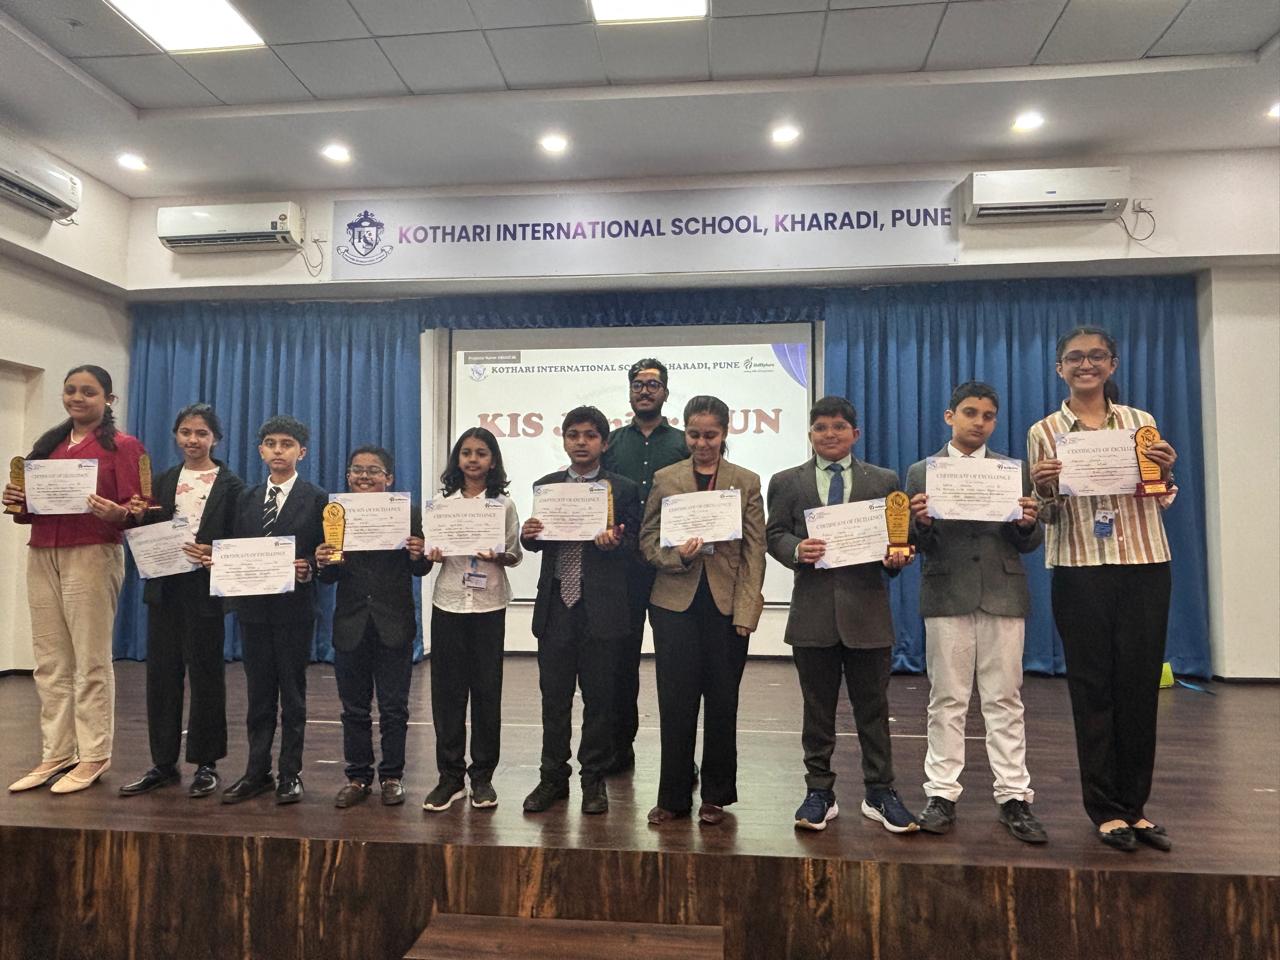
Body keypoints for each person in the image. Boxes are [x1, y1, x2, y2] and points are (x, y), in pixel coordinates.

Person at [1027, 327, 1178, 853]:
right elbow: (1044, 514)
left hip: (1145, 563)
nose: (1085, 364)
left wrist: (1165, 473)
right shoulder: (1044, 431)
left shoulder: (1140, 422)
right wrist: (1043, 487)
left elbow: (1161, 495)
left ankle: (1136, 806)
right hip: (1080, 568)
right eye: (1074, 357)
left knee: (1139, 686)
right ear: (1059, 369)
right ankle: (1105, 810)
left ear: (1112, 364)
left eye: (1096, 356)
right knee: (1092, 689)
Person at [765, 395, 919, 834]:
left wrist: (897, 556)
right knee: (817, 711)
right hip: (812, 614)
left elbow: (899, 538)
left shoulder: (884, 480)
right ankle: (819, 791)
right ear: (810, 434)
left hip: (867, 613)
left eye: (838, 426)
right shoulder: (787, 481)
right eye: (820, 427)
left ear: (855, 433)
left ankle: (880, 791)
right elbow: (774, 534)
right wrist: (796, 549)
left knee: (873, 710)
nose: (829, 434)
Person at [905, 382, 1047, 843]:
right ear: (950, 416)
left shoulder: (1013, 471)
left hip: (1003, 592)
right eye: (970, 413)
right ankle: (941, 793)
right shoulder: (921, 472)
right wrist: (920, 523)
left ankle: (1014, 796)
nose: (979, 422)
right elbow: (915, 542)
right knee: (947, 698)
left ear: (995, 421)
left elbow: (1028, 542)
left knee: (1004, 698)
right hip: (947, 591)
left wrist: (1028, 522)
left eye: (988, 415)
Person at [4, 365, 147, 795]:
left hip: (92, 552)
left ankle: (95, 754)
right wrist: (17, 501)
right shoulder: (48, 446)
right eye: (71, 390)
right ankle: (58, 751)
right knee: (49, 660)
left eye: (88, 391)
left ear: (108, 400)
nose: (77, 398)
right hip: (42, 552)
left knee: (90, 659)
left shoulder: (124, 446)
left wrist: (119, 513)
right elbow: (28, 511)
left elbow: (141, 507)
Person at [640, 395, 765, 826]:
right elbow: (647, 541)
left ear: (725, 432)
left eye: (711, 435)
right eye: (694, 434)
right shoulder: (666, 478)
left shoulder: (746, 481)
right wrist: (679, 556)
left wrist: (746, 611)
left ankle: (716, 796)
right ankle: (672, 797)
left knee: (722, 702)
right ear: (685, 432)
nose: (702, 443)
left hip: (727, 606)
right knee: (675, 702)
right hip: (674, 604)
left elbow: (754, 552)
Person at [119, 403, 244, 800]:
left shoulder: (233, 486)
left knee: (206, 677)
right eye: (186, 432)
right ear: (176, 435)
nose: (193, 440)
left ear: (215, 439)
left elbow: (239, 539)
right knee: (161, 676)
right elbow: (149, 532)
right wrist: (138, 516)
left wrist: (214, 551)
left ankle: (206, 764)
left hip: (204, 590)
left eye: (201, 433)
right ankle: (162, 763)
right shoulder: (163, 480)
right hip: (165, 589)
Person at [520, 406, 640, 815]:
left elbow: (635, 545)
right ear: (564, 440)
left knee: (600, 700)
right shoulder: (547, 486)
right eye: (574, 435)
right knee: (554, 699)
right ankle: (552, 778)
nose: (581, 442)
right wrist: (529, 535)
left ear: (604, 443)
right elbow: (538, 542)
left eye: (590, 435)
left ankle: (593, 780)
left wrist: (615, 543)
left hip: (601, 607)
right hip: (557, 605)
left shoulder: (622, 488)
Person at [218, 415, 327, 806]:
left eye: (287, 444)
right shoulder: (246, 498)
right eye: (271, 444)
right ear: (261, 451)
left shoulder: (317, 498)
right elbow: (234, 547)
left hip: (294, 610)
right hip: (253, 611)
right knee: (259, 694)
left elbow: (325, 553)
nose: (278, 450)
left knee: (293, 695)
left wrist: (309, 567)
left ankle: (290, 772)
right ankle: (256, 771)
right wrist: (221, 562)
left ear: (302, 452)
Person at [317, 446, 428, 809]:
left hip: (393, 623)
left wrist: (418, 553)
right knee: (354, 709)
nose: (364, 476)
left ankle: (392, 776)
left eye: (373, 470)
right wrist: (323, 560)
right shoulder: (335, 514)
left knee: (394, 708)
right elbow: (329, 577)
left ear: (389, 478)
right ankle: (358, 777)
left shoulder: (407, 513)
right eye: (357, 470)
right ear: (348, 476)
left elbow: (420, 569)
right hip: (351, 623)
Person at [420, 429, 522, 813]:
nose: (473, 459)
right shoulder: (440, 505)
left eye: (481, 453)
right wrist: (431, 553)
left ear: (493, 461)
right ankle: (450, 778)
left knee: (486, 692)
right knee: (447, 695)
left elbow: (514, 554)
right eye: (466, 453)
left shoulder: (503, 505)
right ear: (457, 460)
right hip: (449, 603)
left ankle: (482, 777)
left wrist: (499, 555)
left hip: (489, 604)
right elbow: (430, 552)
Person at [601, 358, 690, 774]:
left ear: (665, 392)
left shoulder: (684, 443)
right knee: (621, 661)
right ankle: (621, 748)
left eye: (653, 384)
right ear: (630, 392)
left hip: (673, 566)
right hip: (622, 568)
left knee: (677, 665)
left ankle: (680, 759)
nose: (645, 391)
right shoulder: (612, 443)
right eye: (638, 384)